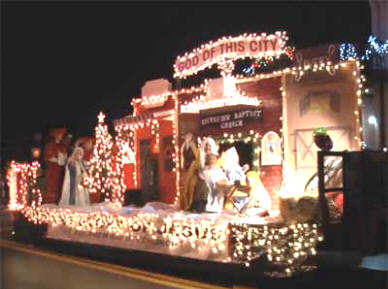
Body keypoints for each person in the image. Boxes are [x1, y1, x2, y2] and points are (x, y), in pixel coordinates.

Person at [44, 128, 68, 204]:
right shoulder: (50, 145)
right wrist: (57, 159)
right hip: (52, 169)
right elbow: (48, 157)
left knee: (59, 185)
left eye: (62, 135)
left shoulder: (62, 146)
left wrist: (63, 159)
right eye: (59, 135)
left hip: (61, 169)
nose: (61, 137)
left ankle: (58, 201)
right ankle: (51, 202)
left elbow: (65, 156)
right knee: (52, 185)